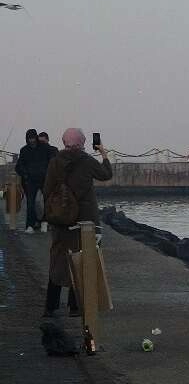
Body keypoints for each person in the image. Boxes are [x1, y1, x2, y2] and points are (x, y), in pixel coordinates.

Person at [42, 128, 112, 318]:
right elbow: (106, 174)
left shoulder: (55, 162)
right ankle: (74, 307)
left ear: (64, 143)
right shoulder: (86, 161)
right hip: (84, 220)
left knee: (57, 260)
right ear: (82, 144)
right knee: (80, 260)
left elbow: (47, 190)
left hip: (60, 221)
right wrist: (103, 154)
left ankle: (50, 307)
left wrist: (53, 212)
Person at [15, 128, 56, 233]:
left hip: (44, 179)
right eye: (30, 139)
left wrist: (49, 173)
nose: (32, 140)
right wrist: (25, 174)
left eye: (33, 138)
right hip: (30, 181)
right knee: (30, 203)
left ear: (36, 138)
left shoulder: (46, 148)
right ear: (27, 139)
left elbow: (53, 160)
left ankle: (44, 222)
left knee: (47, 201)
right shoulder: (24, 150)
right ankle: (30, 225)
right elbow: (19, 166)